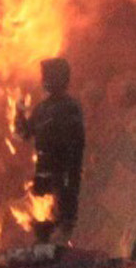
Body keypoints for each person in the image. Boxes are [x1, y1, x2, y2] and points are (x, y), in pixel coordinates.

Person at [13, 57, 88, 244]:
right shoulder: (42, 109)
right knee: (42, 217)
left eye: (47, 76)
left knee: (64, 216)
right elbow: (24, 133)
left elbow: (75, 144)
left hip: (63, 170)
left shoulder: (70, 107)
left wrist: (69, 173)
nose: (43, 81)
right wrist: (19, 113)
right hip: (44, 169)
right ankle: (45, 244)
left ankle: (60, 246)